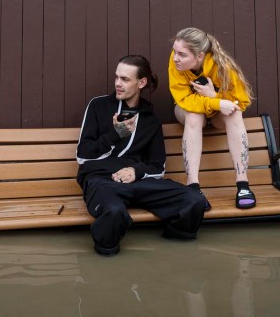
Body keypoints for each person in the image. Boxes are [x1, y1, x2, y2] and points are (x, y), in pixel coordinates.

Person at [76, 54, 206, 257]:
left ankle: (170, 252)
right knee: (114, 212)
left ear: (141, 83)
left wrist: (135, 171)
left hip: (138, 183)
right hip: (102, 181)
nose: (118, 84)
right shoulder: (98, 106)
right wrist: (115, 134)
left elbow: (157, 166)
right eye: (117, 77)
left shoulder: (151, 120)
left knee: (193, 201)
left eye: (125, 79)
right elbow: (83, 156)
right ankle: (107, 259)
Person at [168, 27, 255, 211]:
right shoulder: (175, 63)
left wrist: (215, 97)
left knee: (235, 113)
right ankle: (193, 186)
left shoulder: (221, 65)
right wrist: (215, 102)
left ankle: (243, 185)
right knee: (193, 114)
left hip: (216, 117)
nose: (176, 58)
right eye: (175, 51)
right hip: (188, 113)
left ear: (199, 56)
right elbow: (183, 99)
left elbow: (241, 101)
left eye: (182, 54)